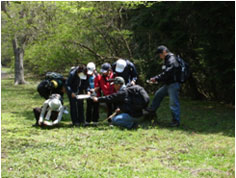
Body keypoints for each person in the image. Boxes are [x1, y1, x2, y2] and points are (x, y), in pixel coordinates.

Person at [147, 45, 181, 127]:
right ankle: (151, 112)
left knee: (173, 103)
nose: (159, 56)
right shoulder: (167, 59)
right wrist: (157, 79)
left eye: (160, 54)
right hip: (168, 84)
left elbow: (169, 72)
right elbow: (166, 73)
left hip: (173, 84)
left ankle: (176, 121)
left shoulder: (172, 59)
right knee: (158, 94)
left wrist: (157, 78)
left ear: (164, 52)